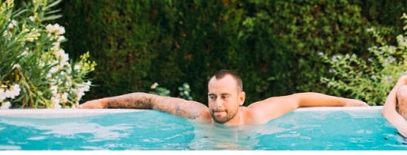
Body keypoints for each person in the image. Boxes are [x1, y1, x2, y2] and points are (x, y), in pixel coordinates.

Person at [80, 69, 367, 126]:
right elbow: (151, 99)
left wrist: (345, 103)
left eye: (225, 97)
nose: (217, 105)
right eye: (213, 97)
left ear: (241, 98)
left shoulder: (258, 114)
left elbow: (300, 99)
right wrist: (103, 103)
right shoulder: (197, 114)